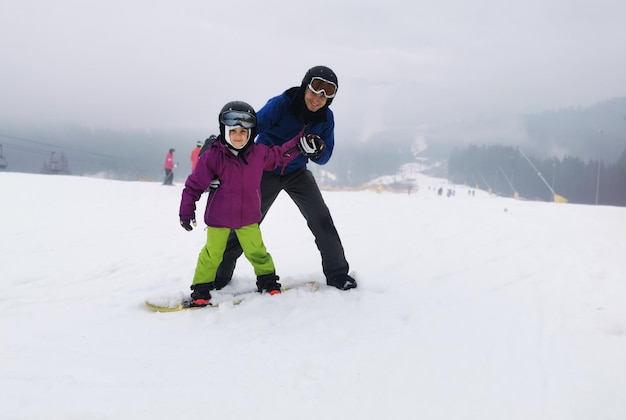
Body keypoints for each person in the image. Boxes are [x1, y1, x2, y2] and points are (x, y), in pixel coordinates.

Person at [213, 65, 357, 291]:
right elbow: (250, 129)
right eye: (314, 91)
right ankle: (219, 276)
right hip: (264, 170)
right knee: (245, 222)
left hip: (296, 172)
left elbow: (325, 155)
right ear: (305, 86)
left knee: (322, 220)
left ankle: (338, 274)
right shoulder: (282, 104)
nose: (318, 99)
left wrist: (316, 151)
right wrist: (219, 146)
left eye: (326, 95)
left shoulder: (326, 118)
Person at [178, 100, 321, 307]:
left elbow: (280, 156)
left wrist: (299, 144)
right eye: (234, 131)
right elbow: (193, 186)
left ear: (251, 134)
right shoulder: (213, 157)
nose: (239, 136)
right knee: (212, 254)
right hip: (219, 219)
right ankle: (201, 288)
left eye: (244, 133)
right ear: (224, 130)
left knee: (257, 252)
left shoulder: (258, 154)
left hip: (249, 218)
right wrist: (186, 211)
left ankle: (268, 281)